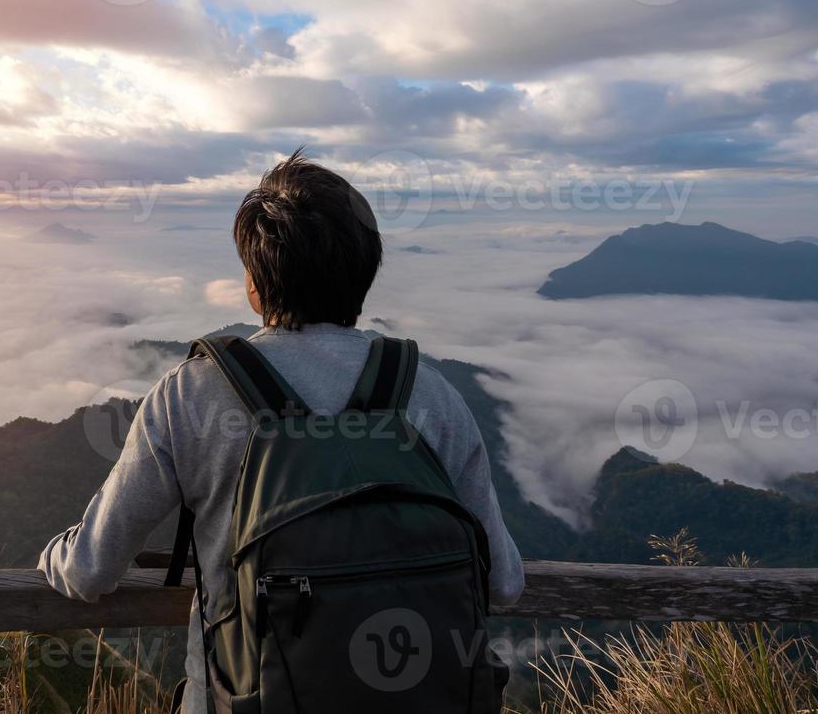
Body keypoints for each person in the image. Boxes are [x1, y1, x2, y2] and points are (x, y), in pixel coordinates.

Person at [39, 149, 525, 713]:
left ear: (254, 283)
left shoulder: (190, 395)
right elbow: (504, 583)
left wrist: (50, 554)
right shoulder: (431, 396)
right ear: (365, 273)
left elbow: (91, 569)